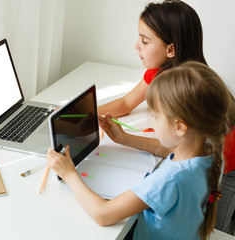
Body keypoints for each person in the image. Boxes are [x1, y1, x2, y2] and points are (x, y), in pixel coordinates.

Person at [47, 61, 233, 239]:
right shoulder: (210, 153)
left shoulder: (168, 180)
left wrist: (69, 173)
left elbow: (103, 214)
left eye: (155, 115)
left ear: (180, 127)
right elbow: (169, 152)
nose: (152, 121)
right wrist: (124, 138)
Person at [97, 0, 235, 232]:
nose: (136, 46)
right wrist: (80, 113)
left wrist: (127, 139)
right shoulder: (162, 74)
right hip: (204, 166)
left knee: (210, 230)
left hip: (225, 175)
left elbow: (173, 151)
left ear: (171, 50)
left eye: (144, 40)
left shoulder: (184, 94)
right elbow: (126, 102)